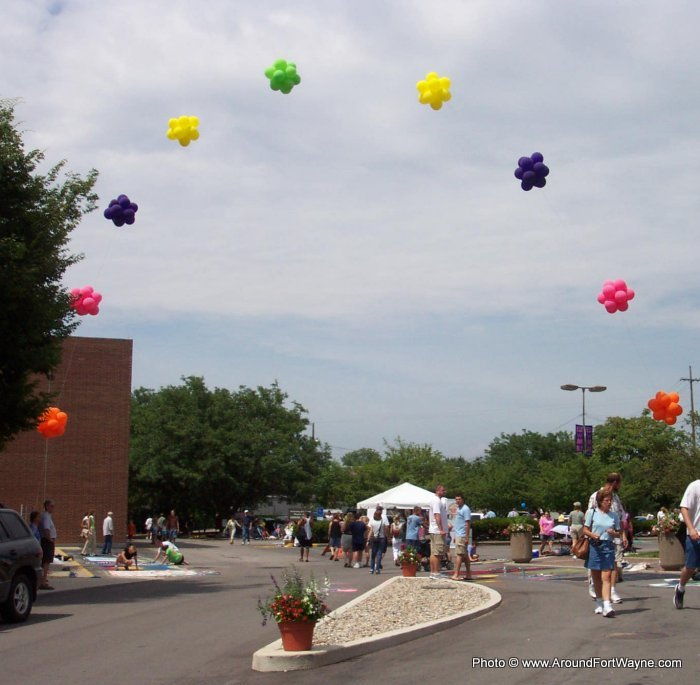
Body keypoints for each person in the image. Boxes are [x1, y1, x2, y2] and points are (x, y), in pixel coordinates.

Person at [587, 472, 626, 603]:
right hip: (598, 538)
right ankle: (594, 585)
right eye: (619, 483)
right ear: (615, 483)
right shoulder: (596, 496)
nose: (620, 486)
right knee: (596, 565)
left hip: (614, 536)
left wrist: (623, 535)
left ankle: (612, 590)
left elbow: (620, 516)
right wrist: (592, 534)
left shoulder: (616, 498)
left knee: (614, 563)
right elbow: (590, 516)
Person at [583, 487, 621, 617]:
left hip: (608, 546)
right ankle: (599, 602)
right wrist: (593, 535)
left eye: (610, 500)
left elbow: (619, 533)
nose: (609, 503)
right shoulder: (592, 513)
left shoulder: (614, 515)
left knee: (606, 576)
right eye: (606, 500)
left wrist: (613, 533)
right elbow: (585, 530)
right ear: (600, 501)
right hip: (595, 546)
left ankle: (607, 605)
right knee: (596, 577)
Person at [674, 477, 700, 609]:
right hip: (695, 534)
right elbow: (684, 508)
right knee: (690, 568)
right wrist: (691, 528)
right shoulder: (695, 486)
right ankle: (680, 588)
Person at [451, 494, 472, 581]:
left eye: (459, 499)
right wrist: (455, 535)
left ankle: (456, 574)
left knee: (459, 555)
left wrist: (466, 536)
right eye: (456, 499)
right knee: (465, 555)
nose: (457, 501)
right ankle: (468, 574)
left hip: (462, 535)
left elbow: (467, 523)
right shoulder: (458, 508)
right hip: (458, 534)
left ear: (463, 499)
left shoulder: (465, 509)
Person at [429, 484, 448, 580]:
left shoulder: (436, 500)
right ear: (437, 491)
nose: (444, 492)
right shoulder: (436, 501)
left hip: (434, 530)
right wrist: (441, 529)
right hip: (437, 531)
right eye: (442, 490)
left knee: (433, 552)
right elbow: (437, 515)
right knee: (438, 553)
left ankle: (433, 572)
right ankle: (436, 573)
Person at [39, 499, 57, 590]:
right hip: (47, 542)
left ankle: (43, 579)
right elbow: (46, 529)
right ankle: (43, 582)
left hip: (47, 541)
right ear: (46, 506)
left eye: (53, 506)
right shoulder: (46, 516)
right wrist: (50, 540)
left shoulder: (47, 516)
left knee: (45, 562)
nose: (53, 508)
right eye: (51, 506)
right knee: (46, 562)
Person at [368, 509, 387, 574]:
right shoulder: (382, 521)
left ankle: (371, 569)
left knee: (373, 554)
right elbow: (385, 531)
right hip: (381, 538)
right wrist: (387, 537)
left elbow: (371, 531)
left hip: (374, 538)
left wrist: (368, 540)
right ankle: (377, 569)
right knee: (379, 554)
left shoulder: (372, 522)